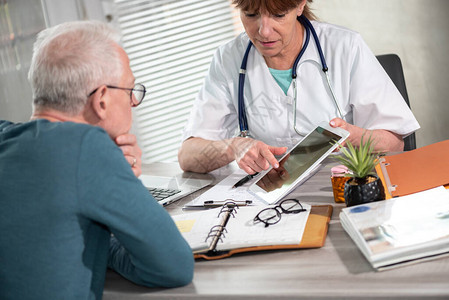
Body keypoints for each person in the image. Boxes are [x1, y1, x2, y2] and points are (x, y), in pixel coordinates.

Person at [0, 21, 194, 300]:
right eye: (130, 90)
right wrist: (110, 239)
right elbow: (173, 266)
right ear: (102, 99)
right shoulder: (86, 147)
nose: (133, 102)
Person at [178, 0, 420, 174]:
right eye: (251, 15)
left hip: (341, 186)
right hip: (267, 198)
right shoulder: (228, 59)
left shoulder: (345, 47)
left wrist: (353, 136)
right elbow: (188, 156)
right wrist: (234, 147)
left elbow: (395, 143)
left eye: (278, 15)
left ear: (300, 5)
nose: (263, 31)